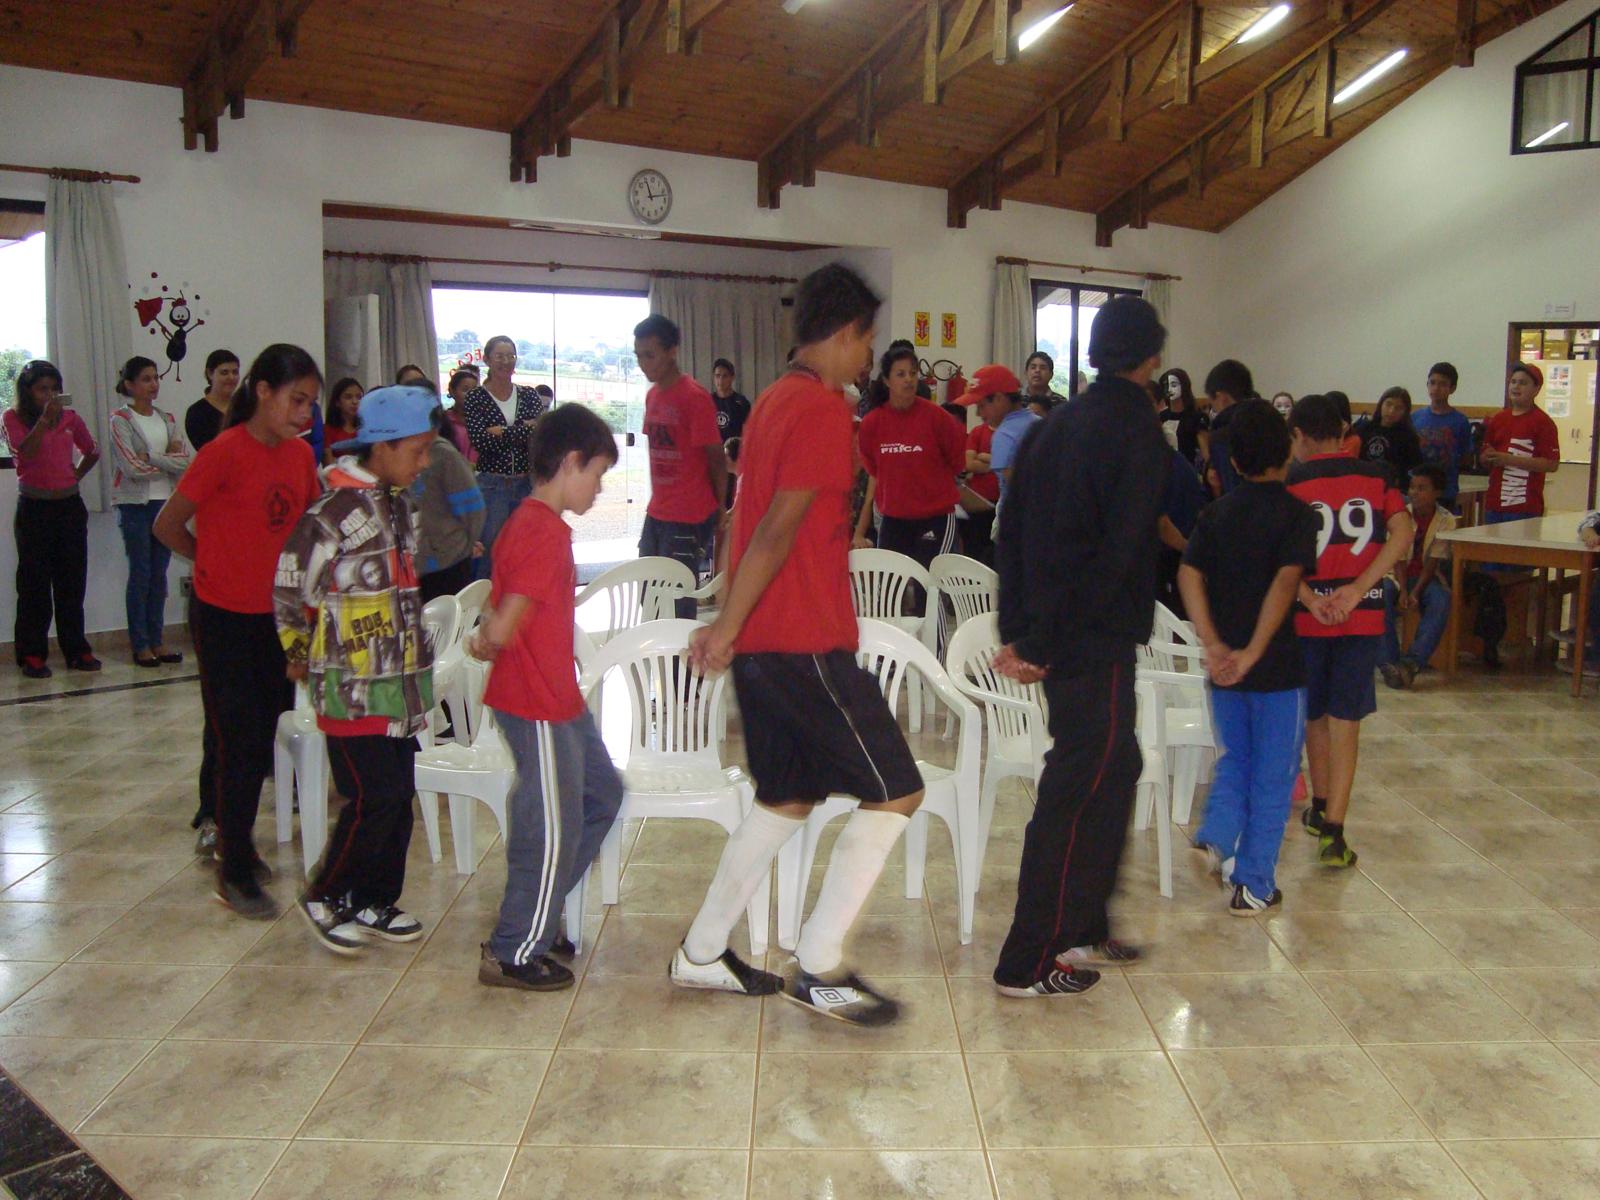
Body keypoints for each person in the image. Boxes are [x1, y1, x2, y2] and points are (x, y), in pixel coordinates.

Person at [670, 262, 921, 1027]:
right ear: (844, 334)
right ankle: (817, 963)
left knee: (787, 795)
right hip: (803, 640)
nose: (869, 357)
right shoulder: (818, 408)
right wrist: (727, 625)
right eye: (868, 342)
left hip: (768, 645)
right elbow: (776, 528)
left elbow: (740, 521)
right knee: (898, 789)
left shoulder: (776, 399)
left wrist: (732, 623)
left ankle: (702, 951)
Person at [991, 296, 1169, 998]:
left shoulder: (1053, 426)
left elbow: (1009, 532)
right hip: (1092, 636)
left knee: (1116, 764)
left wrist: (1021, 631)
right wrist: (1043, 640)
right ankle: (1028, 958)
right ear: (1152, 357)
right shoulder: (1136, 431)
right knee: (1077, 781)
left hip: (1061, 631)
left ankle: (1085, 921)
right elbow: (1119, 552)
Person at [155, 344, 323, 919]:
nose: (305, 413)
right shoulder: (223, 451)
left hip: (278, 618)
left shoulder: (299, 457)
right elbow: (167, 524)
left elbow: (310, 529)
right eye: (296, 400)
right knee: (238, 739)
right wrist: (211, 562)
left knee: (264, 733)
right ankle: (232, 867)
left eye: (311, 403)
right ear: (263, 391)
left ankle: (240, 847)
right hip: (223, 615)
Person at [276, 385, 438, 953]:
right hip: (352, 689)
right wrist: (298, 651)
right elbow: (291, 586)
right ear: (383, 446)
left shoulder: (399, 504)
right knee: (374, 797)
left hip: (400, 686)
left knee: (400, 798)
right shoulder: (331, 514)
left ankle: (373, 900)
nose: (424, 463)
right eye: (417, 451)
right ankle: (325, 893)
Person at [470, 404, 624, 991]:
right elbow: (507, 621)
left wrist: (496, 637)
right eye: (598, 475)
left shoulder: (533, 524)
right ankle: (514, 947)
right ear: (571, 463)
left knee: (602, 794)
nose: (599, 489)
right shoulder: (541, 531)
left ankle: (540, 906)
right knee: (549, 825)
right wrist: (487, 638)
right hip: (536, 701)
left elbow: (511, 609)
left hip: (557, 697)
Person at [1180, 400, 1318, 915]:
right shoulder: (1297, 515)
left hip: (1225, 672)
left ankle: (1216, 837)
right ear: (1287, 453)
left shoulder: (1215, 514)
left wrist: (1213, 644)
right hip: (1276, 668)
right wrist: (1254, 652)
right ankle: (1255, 883)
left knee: (1236, 759)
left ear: (1234, 462)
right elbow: (1285, 584)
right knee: (1274, 775)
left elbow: (1188, 575)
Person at [1286, 393, 1411, 870]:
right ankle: (1334, 831)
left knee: (1314, 713)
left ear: (1298, 436)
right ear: (1343, 432)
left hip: (1310, 615)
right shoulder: (1378, 476)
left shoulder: (1294, 481)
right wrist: (1359, 588)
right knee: (1347, 720)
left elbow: (1279, 554)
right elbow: (1403, 533)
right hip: (1362, 613)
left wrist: (1310, 598)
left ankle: (1319, 807)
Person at [5, 360, 101, 678]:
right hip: (35, 509)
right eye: (42, 389)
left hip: (69, 507)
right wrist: (45, 421)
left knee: (71, 582)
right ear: (27, 391)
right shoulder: (12, 417)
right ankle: (32, 653)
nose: (49, 395)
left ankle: (76, 649)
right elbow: (24, 453)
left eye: (54, 389)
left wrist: (76, 474)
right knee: (34, 584)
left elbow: (92, 450)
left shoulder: (70, 418)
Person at [634, 314, 728, 616]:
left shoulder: (694, 397)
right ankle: (655, 646)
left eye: (650, 355)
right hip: (658, 510)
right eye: (638, 356)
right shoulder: (652, 396)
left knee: (677, 600)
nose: (643, 364)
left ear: (672, 351)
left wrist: (719, 507)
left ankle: (680, 650)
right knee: (649, 595)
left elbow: (716, 458)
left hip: (689, 514)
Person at [109, 355, 191, 667]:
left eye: (156, 378)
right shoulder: (121, 419)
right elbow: (131, 467)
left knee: (159, 575)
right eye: (146, 379)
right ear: (130, 384)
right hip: (134, 505)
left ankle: (158, 640)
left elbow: (184, 462)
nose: (153, 384)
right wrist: (165, 461)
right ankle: (140, 644)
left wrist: (152, 457)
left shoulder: (166, 418)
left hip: (164, 503)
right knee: (141, 573)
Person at [854, 343, 965, 565]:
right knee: (892, 581)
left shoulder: (937, 417)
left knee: (929, 579)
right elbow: (872, 466)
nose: (908, 380)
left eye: (913, 373)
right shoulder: (872, 423)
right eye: (901, 374)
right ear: (887, 380)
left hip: (935, 517)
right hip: (894, 518)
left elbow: (956, 460)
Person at [462, 335, 546, 578]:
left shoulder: (528, 394)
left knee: (525, 550)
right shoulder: (476, 397)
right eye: (499, 356)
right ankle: (482, 601)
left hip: (526, 482)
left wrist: (503, 431)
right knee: (490, 550)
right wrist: (523, 429)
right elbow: (481, 441)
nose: (506, 362)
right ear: (487, 359)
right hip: (492, 484)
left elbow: (538, 433)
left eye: (511, 356)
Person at [1379, 464, 1457, 689]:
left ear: (1437, 492)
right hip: (1395, 575)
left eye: (1422, 488)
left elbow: (1433, 560)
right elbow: (1398, 557)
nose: (1414, 493)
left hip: (1425, 577)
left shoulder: (1446, 520)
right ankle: (1388, 662)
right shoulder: (1399, 515)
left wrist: (1415, 592)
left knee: (1441, 599)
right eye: (1412, 487)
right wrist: (1404, 590)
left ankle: (1412, 662)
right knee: (1380, 595)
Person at [413, 406, 486, 603]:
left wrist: (463, 546)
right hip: (416, 563)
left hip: (446, 560)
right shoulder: (400, 455)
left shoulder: (443, 454)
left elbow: (473, 510)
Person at [1481, 362, 1559, 525]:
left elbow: (1551, 464)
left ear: (1536, 390)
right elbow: (1485, 456)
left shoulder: (1543, 422)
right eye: (1513, 382)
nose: (1516, 386)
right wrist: (1487, 457)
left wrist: (1510, 460)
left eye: (1523, 383)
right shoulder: (1499, 419)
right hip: (1494, 504)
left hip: (1524, 507)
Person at [1410, 362, 1473, 508]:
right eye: (1432, 383)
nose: (1436, 388)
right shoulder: (1415, 418)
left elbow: (1465, 457)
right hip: (1418, 489)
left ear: (1452, 388)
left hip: (1446, 491)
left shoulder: (1460, 421)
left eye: (1443, 384)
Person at [1202, 359, 1254, 497]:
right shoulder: (1272, 424)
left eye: (1212, 403)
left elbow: (1230, 486)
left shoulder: (1222, 436)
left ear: (1222, 397)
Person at [1359, 386, 1424, 484]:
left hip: (1392, 486)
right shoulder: (1364, 429)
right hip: (1363, 482)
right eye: (1388, 404)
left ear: (1405, 412)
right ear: (1381, 404)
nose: (1391, 411)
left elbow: (1414, 469)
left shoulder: (1409, 437)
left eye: (1398, 408)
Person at [186, 348, 239, 451]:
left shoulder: (246, 407)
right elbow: (207, 450)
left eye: (235, 372)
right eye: (224, 372)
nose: (231, 377)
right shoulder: (197, 413)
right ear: (210, 373)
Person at [1158, 367, 1206, 466]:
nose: (1169, 389)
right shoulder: (1160, 417)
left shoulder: (1197, 417)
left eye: (1174, 385)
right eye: (1166, 386)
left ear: (1184, 386)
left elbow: (1205, 452)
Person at [323, 377, 364, 465]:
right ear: (337, 402)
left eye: (359, 397)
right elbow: (329, 464)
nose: (355, 402)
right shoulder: (327, 430)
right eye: (348, 397)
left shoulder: (366, 428)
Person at [710, 357, 751, 443]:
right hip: (713, 449)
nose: (720, 380)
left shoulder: (741, 402)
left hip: (734, 449)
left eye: (725, 376)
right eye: (717, 376)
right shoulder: (708, 401)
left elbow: (749, 430)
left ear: (732, 377)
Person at [443, 369, 477, 462]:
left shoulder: (484, 422)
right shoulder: (444, 421)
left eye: (474, 391)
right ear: (452, 391)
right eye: (465, 390)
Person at [1023, 351, 1067, 416]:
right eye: (1033, 367)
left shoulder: (1061, 403)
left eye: (1043, 368)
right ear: (1026, 373)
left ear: (1051, 375)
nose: (1037, 370)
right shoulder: (1017, 401)